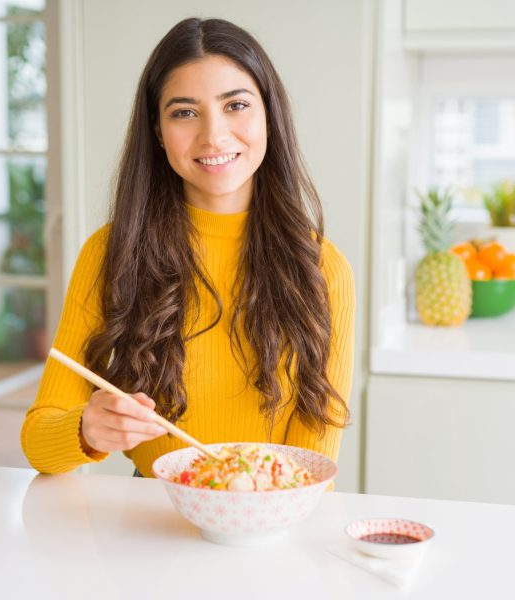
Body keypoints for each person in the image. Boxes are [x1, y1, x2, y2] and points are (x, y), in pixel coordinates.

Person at [21, 17, 355, 478]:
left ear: (269, 115)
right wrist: (88, 430)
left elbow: (315, 468)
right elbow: (39, 445)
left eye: (235, 105)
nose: (213, 135)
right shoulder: (111, 252)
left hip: (271, 516)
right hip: (147, 524)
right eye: (184, 112)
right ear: (158, 131)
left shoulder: (322, 267)